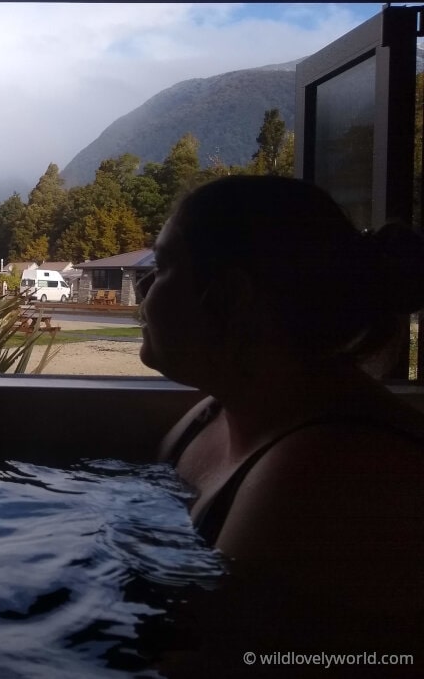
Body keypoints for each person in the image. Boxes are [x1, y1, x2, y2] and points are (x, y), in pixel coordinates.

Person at [136, 175, 424, 671]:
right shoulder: (215, 414)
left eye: (161, 267)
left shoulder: (327, 472)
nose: (141, 287)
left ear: (230, 298)